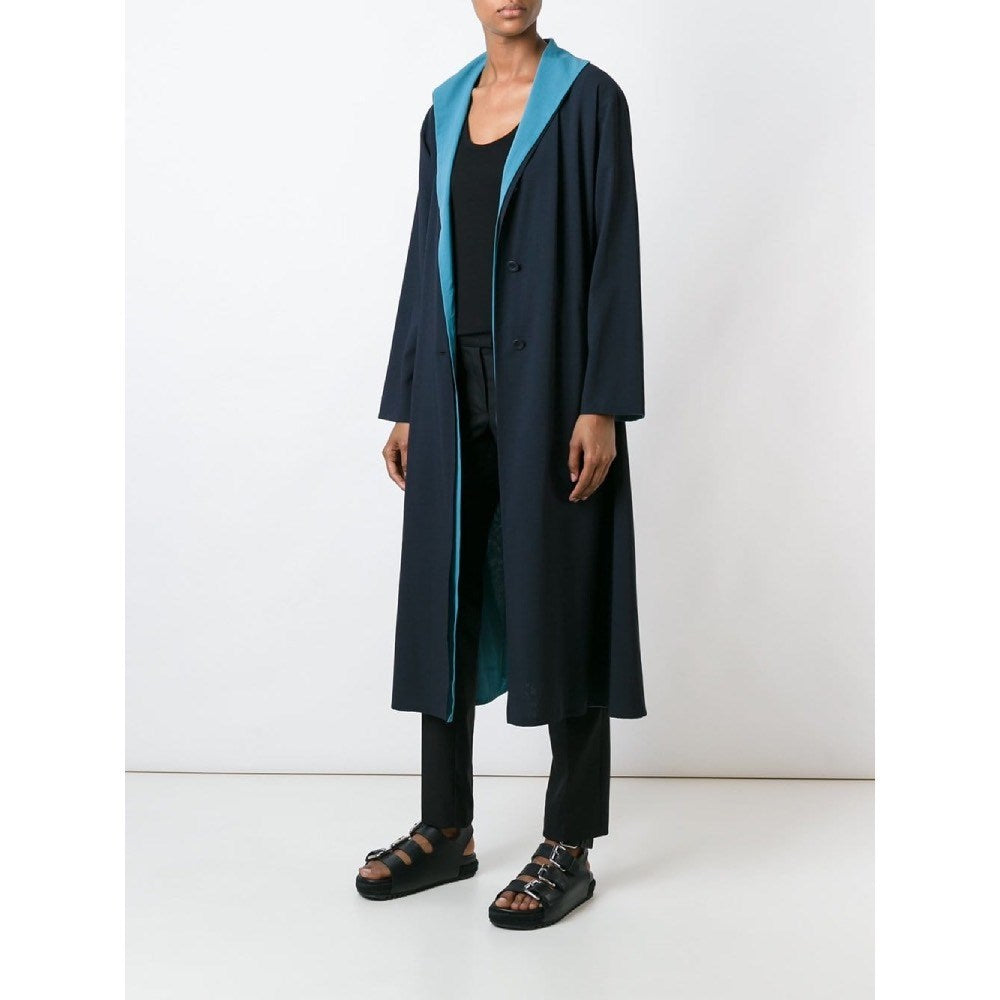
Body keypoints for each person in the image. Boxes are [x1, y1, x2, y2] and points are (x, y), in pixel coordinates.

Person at [356, 1, 646, 930]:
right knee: (447, 597)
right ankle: (448, 828)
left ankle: (569, 843)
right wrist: (407, 396)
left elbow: (615, 253)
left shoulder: (589, 99)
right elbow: (425, 254)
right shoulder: (444, 108)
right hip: (449, 387)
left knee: (565, 592)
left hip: (554, 388)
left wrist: (603, 401)